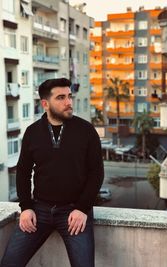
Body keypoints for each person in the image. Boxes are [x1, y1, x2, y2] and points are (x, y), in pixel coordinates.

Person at [0, 78, 104, 267]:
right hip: (39, 211)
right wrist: (26, 207)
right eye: (61, 98)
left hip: (75, 212)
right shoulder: (32, 132)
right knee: (9, 263)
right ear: (45, 104)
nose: (68, 102)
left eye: (69, 97)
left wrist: (82, 208)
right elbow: (23, 172)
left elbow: (96, 173)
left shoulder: (86, 131)